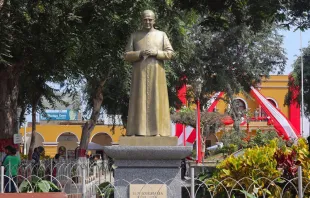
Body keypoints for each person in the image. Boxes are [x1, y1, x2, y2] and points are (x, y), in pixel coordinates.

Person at [125, 10, 174, 136]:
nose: (147, 22)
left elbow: (170, 53)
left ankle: (158, 131)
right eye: (145, 19)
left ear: (154, 20)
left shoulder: (162, 35)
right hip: (139, 74)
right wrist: (139, 53)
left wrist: (156, 53)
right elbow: (126, 55)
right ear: (141, 20)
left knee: (157, 99)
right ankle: (137, 131)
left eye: (150, 19)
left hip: (157, 73)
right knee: (139, 100)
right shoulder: (135, 35)